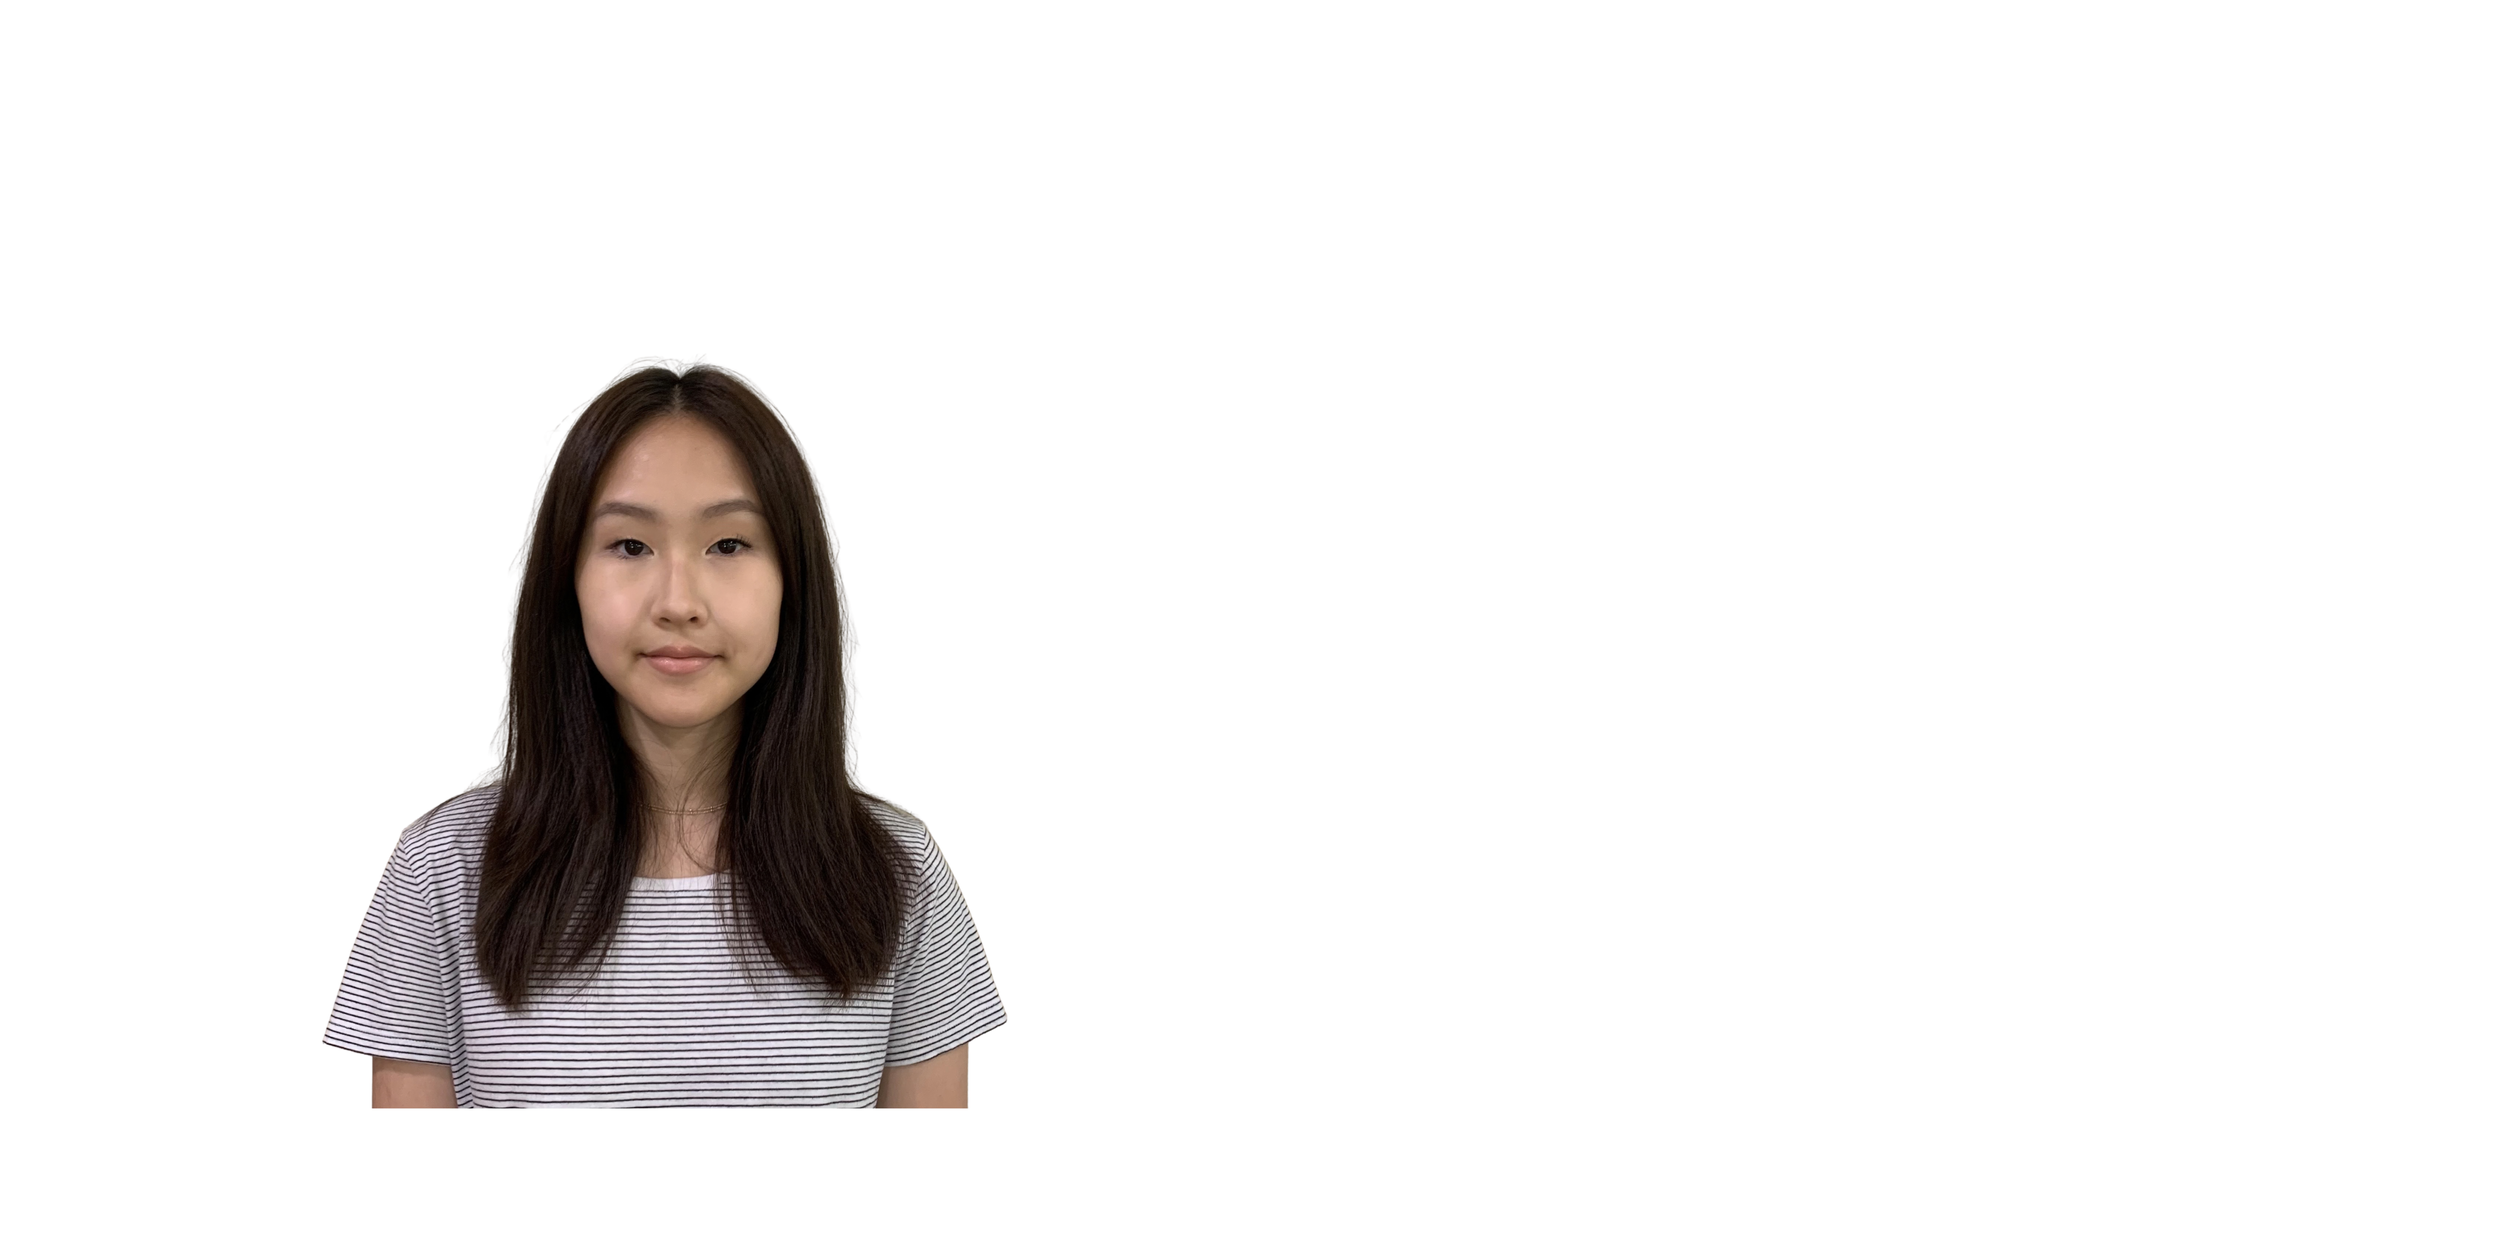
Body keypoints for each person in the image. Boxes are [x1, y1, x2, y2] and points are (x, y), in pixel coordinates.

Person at [323, 365, 1005, 1107]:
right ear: (566, 580)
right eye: (629, 546)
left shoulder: (894, 873)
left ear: (793, 581)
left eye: (729, 545)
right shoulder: (445, 872)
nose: (679, 602)